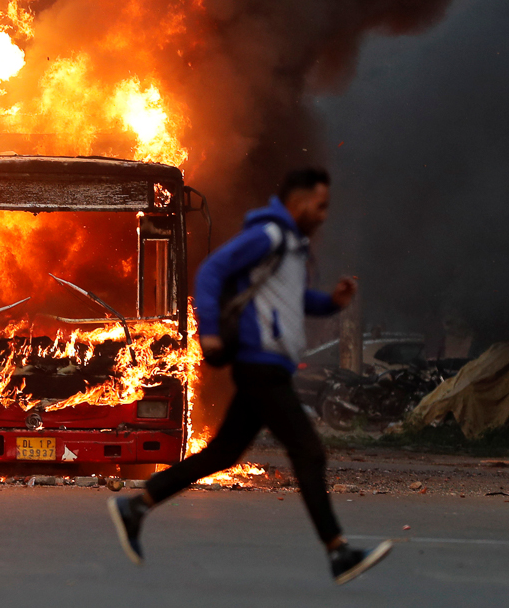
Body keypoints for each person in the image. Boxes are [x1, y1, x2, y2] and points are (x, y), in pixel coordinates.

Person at [107, 167, 392, 584]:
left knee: (222, 455)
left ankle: (136, 507)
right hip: (260, 365)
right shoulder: (270, 237)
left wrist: (331, 302)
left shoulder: (292, 247)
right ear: (297, 202)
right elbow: (211, 273)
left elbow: (292, 301)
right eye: (320, 204)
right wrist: (210, 334)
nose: (324, 214)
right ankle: (338, 552)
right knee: (309, 452)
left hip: (270, 364)